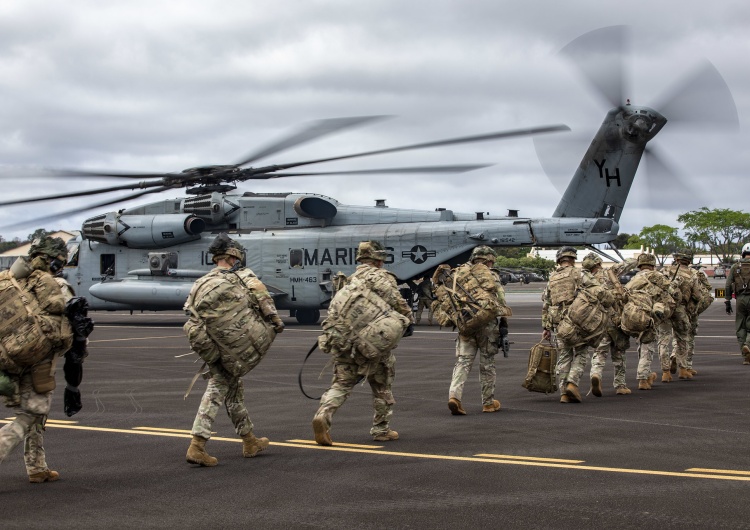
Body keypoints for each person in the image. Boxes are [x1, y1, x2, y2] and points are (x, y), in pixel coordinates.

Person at [185, 234, 284, 467]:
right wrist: (276, 322)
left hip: (210, 346)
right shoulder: (241, 275)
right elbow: (262, 297)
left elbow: (191, 312)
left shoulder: (202, 282)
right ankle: (197, 445)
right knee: (218, 388)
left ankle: (250, 440)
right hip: (232, 349)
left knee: (233, 392)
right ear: (233, 256)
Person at [0, 236, 86, 483]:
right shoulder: (56, 285)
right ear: (55, 262)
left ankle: (37, 466)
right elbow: (74, 331)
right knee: (30, 414)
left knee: (36, 413)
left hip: (8, 359)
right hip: (36, 362)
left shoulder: (12, 282)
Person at [312, 241, 412, 445]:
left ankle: (323, 414)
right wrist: (407, 320)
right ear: (378, 260)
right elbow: (399, 304)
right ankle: (381, 429)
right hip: (372, 344)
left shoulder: (349, 281)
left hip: (346, 343)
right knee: (382, 385)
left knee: (341, 384)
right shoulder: (381, 278)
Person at [542, 247, 613, 403]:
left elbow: (546, 302)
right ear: (573, 259)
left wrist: (546, 327)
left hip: (559, 324)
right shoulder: (580, 274)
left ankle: (563, 393)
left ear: (559, 260)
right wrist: (610, 299)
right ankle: (572, 383)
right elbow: (598, 290)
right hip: (578, 320)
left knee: (564, 356)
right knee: (581, 352)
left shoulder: (552, 278)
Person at [447, 246, 510, 415]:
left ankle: (455, 396)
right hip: (487, 327)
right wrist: (503, 323)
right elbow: (501, 302)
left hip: (465, 323)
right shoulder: (491, 275)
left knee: (463, 362)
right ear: (489, 260)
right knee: (487, 364)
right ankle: (488, 403)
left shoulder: (458, 273)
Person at [586, 253, 636, 396]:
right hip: (615, 319)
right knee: (619, 352)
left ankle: (596, 374)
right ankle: (620, 385)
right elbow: (630, 263)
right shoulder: (609, 273)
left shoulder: (585, 279)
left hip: (596, 321)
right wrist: (638, 259)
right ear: (598, 263)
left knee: (599, 352)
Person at [626, 253, 677, 390]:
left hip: (635, 316)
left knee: (641, 345)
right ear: (653, 265)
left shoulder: (634, 279)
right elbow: (673, 292)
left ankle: (647, 374)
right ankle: (643, 378)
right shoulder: (657, 276)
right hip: (650, 315)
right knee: (647, 347)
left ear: (640, 265)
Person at [656, 249, 702, 382]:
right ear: (689, 261)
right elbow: (697, 295)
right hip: (680, 309)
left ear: (676, 259)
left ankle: (665, 372)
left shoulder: (665, 271)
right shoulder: (692, 275)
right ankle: (683, 369)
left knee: (663, 340)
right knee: (682, 338)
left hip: (664, 308)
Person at [725, 243, 750, 364]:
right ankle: (748, 345)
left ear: (743, 253)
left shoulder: (736, 266)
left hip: (740, 299)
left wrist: (728, 300)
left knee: (740, 327)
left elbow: (728, 284)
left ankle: (745, 356)